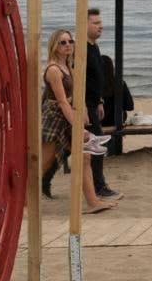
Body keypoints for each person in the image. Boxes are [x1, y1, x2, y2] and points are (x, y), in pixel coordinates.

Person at [40, 28, 116, 213]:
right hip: (55, 118)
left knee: (85, 157)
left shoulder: (68, 66)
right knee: (44, 163)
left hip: (67, 114)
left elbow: (75, 94)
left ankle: (92, 202)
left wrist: (84, 111)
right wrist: (78, 126)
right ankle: (22, 201)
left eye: (70, 41)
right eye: (63, 42)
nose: (68, 45)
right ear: (54, 46)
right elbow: (62, 102)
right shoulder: (53, 69)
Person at [85, 8, 121, 200]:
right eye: (96, 23)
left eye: (101, 23)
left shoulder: (94, 47)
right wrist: (84, 106)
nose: (101, 26)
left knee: (90, 144)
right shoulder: (81, 49)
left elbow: (95, 78)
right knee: (96, 144)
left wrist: (99, 100)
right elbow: (78, 80)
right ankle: (99, 187)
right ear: (84, 25)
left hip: (93, 103)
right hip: (84, 106)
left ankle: (44, 182)